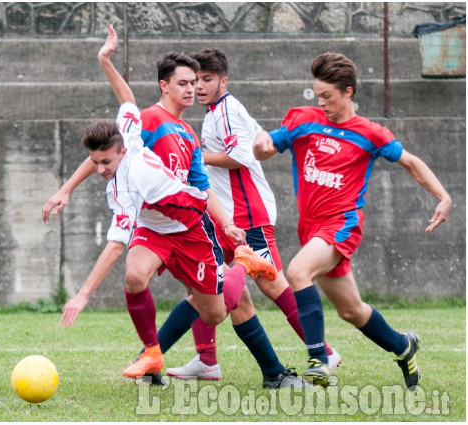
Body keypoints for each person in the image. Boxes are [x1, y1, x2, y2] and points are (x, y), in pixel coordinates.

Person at [53, 25, 282, 382]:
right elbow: (106, 153)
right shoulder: (148, 121)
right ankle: (153, 355)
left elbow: (202, 191)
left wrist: (226, 226)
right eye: (184, 83)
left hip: (189, 230)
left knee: (215, 313)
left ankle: (243, 264)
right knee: (134, 275)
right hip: (154, 229)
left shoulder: (189, 135)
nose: (192, 89)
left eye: (195, 83)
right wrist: (65, 189)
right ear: (164, 85)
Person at [253, 52, 452, 389]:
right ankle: (404, 347)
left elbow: (412, 163)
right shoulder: (304, 119)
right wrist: (261, 146)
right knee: (352, 311)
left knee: (298, 272)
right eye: (318, 95)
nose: (322, 102)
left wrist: (443, 196)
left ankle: (319, 358)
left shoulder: (370, 133)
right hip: (311, 229)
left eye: (328, 96)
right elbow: (267, 146)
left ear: (348, 92)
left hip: (342, 224)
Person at [164, 48, 340, 381]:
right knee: (204, 282)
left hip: (248, 214)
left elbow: (242, 156)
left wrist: (196, 157)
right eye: (196, 80)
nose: (199, 86)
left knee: (273, 285)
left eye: (207, 79)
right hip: (227, 216)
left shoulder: (226, 110)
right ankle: (207, 360)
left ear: (223, 81)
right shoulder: (219, 111)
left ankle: (324, 352)